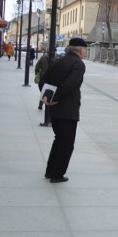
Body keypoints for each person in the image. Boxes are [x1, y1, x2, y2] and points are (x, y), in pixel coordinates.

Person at [41, 37, 87, 183]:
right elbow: (70, 85)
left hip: (54, 110)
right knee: (66, 143)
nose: (85, 53)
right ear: (81, 50)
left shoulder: (58, 61)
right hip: (68, 110)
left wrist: (46, 97)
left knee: (58, 139)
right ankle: (57, 174)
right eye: (85, 50)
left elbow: (43, 80)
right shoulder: (78, 64)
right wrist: (56, 98)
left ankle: (50, 171)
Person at [34, 45, 50, 111]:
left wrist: (37, 73)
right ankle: (46, 103)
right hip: (52, 77)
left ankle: (41, 102)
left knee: (43, 90)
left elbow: (37, 66)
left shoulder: (43, 57)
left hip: (43, 77)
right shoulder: (57, 58)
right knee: (50, 91)